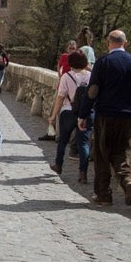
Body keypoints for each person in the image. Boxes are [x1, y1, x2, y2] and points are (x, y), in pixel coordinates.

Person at [76, 28, 131, 206]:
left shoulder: (103, 62)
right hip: (129, 116)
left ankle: (103, 194)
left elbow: (93, 91)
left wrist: (83, 115)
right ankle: (128, 180)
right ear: (125, 43)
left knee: (103, 153)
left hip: (106, 115)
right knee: (119, 151)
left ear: (108, 43)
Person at [50, 49, 91, 183]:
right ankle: (83, 173)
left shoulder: (66, 77)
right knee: (83, 143)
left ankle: (58, 165)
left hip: (68, 111)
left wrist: (53, 115)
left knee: (63, 140)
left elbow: (60, 97)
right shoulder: (91, 76)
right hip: (85, 113)